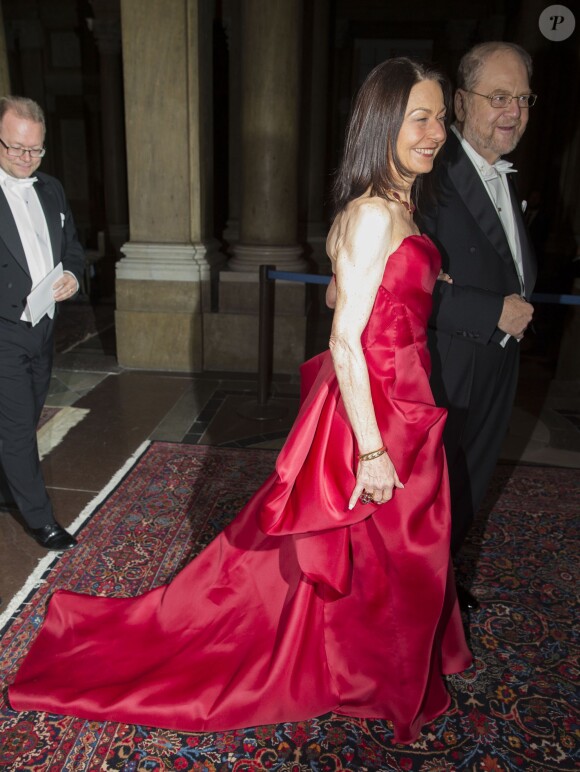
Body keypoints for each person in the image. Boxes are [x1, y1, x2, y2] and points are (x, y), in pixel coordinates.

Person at [9, 59, 472, 745]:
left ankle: (365, 666)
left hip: (401, 397)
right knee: (383, 547)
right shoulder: (376, 213)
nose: (435, 133)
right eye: (420, 118)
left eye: (439, 117)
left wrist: (400, 289)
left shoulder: (393, 206)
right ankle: (367, 672)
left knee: (386, 552)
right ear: (383, 125)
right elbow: (344, 342)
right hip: (379, 412)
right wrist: (371, 450)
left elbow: (337, 297)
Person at [417, 42, 537, 609]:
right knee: (432, 492)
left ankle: (438, 585)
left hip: (496, 362)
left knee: (471, 484)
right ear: (462, 103)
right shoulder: (432, 174)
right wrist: (492, 312)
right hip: (447, 365)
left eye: (522, 97)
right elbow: (402, 285)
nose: (512, 110)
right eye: (498, 97)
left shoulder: (507, 178)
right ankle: (414, 601)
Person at [0, 96, 85, 551]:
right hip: (2, 331)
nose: (25, 159)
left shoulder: (50, 188)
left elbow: (71, 247)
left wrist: (71, 274)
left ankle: (7, 487)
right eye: (15, 148)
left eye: (34, 150)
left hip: (44, 327)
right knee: (15, 429)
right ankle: (40, 518)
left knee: (25, 416)